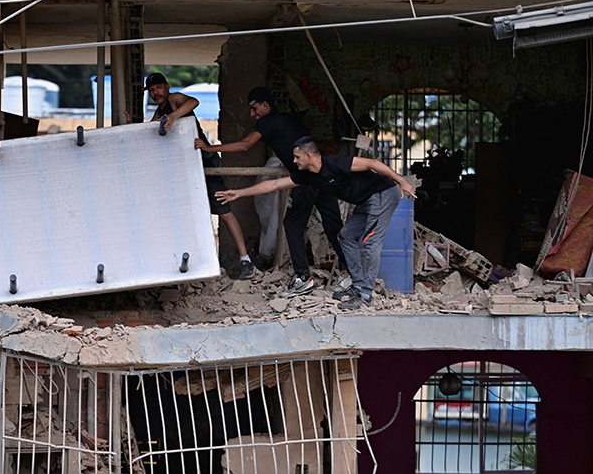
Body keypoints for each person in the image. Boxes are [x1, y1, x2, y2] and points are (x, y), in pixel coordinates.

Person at [216, 137, 415, 310]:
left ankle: (365, 295)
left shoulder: (336, 163)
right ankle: (358, 285)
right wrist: (239, 193)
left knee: (371, 243)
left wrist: (401, 181)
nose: (294, 161)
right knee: (344, 236)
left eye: (297, 157)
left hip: (383, 194)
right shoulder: (307, 175)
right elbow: (274, 184)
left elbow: (372, 163)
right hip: (366, 200)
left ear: (309, 156)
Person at [196, 86, 346, 297]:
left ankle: (303, 279)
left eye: (254, 108)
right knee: (333, 225)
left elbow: (245, 145)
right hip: (322, 173)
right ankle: (353, 275)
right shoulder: (287, 119)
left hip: (307, 179)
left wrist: (209, 148)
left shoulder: (267, 122)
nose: (252, 114)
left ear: (265, 106)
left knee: (292, 226)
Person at [140, 72, 257, 280]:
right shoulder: (158, 113)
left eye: (158, 88)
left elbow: (194, 101)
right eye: (151, 90)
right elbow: (149, 135)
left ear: (167, 87)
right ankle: (193, 261)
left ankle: (246, 260)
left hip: (205, 162)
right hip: (184, 169)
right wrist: (134, 125)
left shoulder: (174, 101)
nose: (155, 93)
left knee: (223, 211)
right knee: (187, 215)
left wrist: (174, 117)